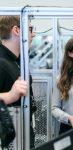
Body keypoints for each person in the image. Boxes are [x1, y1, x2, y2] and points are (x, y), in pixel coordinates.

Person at [0, 16, 36, 148]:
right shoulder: (2, 62)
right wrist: (9, 96)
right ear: (16, 30)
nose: (34, 34)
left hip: (21, 136)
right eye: (30, 29)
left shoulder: (17, 61)